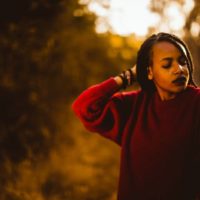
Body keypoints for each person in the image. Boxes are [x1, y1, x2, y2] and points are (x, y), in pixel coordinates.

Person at [72, 32, 200, 200]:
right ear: (149, 72)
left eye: (183, 62)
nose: (179, 69)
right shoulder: (135, 105)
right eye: (167, 65)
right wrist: (128, 76)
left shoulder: (196, 102)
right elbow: (84, 107)